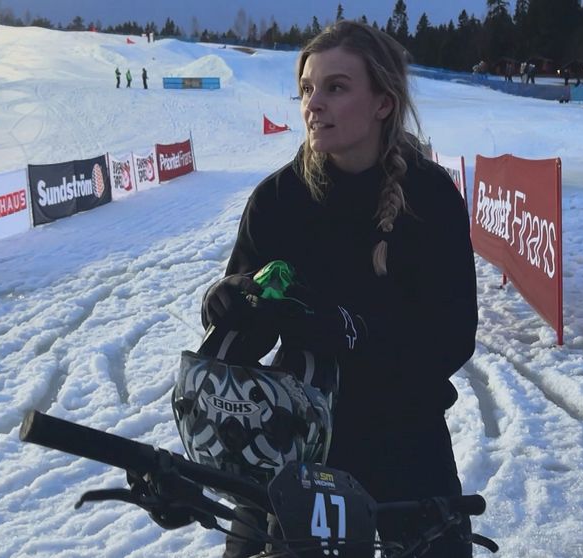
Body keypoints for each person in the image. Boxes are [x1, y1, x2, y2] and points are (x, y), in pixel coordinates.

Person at [200, 19, 477, 558]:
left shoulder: (430, 197)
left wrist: (352, 334)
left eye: (336, 87)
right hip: (293, 444)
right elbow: (247, 345)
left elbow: (452, 338)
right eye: (307, 89)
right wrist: (230, 303)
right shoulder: (277, 200)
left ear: (383, 103)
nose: (314, 104)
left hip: (405, 440)